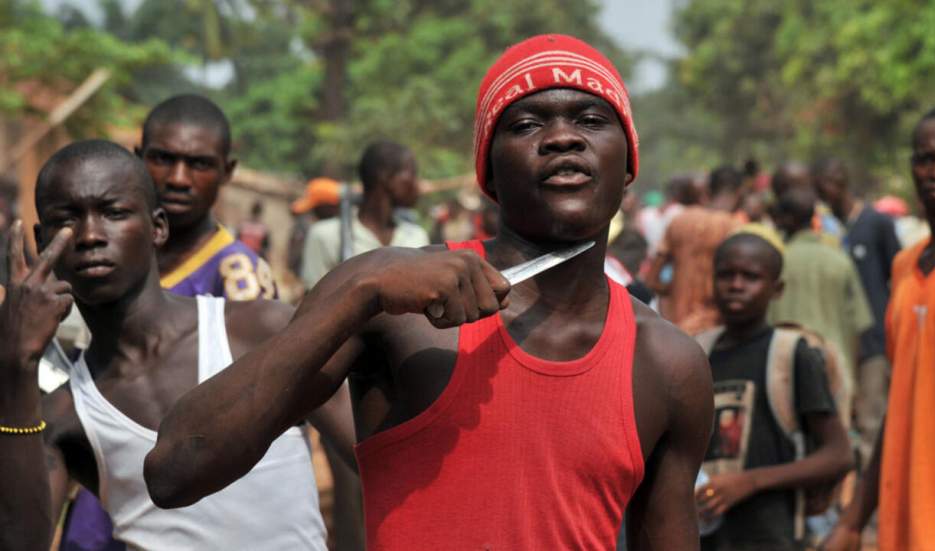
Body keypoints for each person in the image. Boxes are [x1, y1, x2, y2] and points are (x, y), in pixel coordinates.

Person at [146, 34, 714, 550]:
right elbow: (176, 471)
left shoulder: (666, 363)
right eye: (525, 124)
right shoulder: (398, 307)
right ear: (487, 172)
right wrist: (357, 289)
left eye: (591, 119)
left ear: (630, 163)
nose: (562, 137)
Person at [0, 140, 353, 550]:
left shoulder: (259, 331)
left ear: (158, 227)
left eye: (114, 213)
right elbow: (20, 541)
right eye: (67, 220)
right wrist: (15, 365)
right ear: (43, 240)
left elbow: (374, 458)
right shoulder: (64, 413)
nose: (91, 235)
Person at [824, 104, 935, 551]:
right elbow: (901, 402)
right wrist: (854, 520)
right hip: (906, 525)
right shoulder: (906, 267)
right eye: (927, 158)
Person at [695, 230, 852, 550]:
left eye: (750, 277)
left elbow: (838, 454)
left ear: (776, 289)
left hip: (771, 535)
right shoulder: (697, 351)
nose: (736, 285)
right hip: (705, 535)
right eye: (726, 274)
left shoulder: (792, 354)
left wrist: (750, 482)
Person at [135, 94, 276, 300]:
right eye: (163, 159)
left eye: (200, 164)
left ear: (227, 172)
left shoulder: (240, 278)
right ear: (138, 159)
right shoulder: (111, 254)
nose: (178, 179)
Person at [814, 158, 901, 461]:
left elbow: (898, 274)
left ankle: (871, 490)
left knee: (870, 417)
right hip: (836, 336)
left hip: (872, 338)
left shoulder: (876, 223)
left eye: (828, 186)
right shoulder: (822, 230)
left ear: (841, 184)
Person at [768, 188, 872, 409]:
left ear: (786, 219)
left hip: (783, 373)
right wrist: (851, 381)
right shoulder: (840, 261)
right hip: (835, 372)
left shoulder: (774, 263)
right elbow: (858, 327)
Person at [300, 141, 429, 288]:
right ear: (385, 176)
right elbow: (313, 304)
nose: (418, 184)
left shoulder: (417, 236)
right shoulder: (325, 236)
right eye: (412, 174)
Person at [650, 165, 741, 334]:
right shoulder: (735, 227)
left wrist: (668, 305)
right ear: (739, 193)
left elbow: (654, 277)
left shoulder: (680, 220)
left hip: (673, 322)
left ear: (707, 190)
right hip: (712, 327)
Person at [288, 177, 342, 284]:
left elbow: (311, 284)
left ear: (326, 208)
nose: (312, 214)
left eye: (314, 209)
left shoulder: (319, 233)